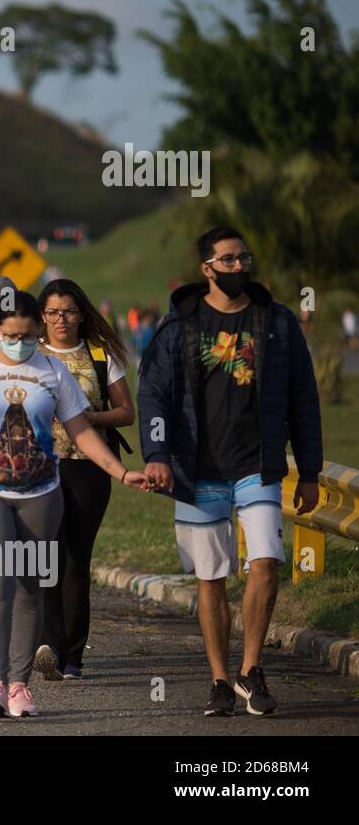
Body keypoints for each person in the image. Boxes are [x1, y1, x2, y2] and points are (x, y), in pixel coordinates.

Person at [0, 289, 150, 718]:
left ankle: (20, 686)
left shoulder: (53, 372)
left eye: (27, 334)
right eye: (11, 334)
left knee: (29, 588)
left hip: (41, 494)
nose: (19, 342)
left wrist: (120, 471)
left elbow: (81, 431)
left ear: (36, 330)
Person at [137, 227, 323, 717]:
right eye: (227, 260)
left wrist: (309, 470)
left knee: (266, 560)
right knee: (212, 575)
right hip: (196, 471)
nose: (238, 266)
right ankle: (220, 680)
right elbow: (153, 392)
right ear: (207, 269)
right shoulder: (179, 327)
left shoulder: (277, 324)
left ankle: (251, 669)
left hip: (257, 465)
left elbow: (303, 399)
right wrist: (156, 452)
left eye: (244, 258)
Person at [32, 279, 136, 680]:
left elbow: (126, 412)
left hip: (89, 470)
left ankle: (73, 655)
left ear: (82, 314)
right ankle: (49, 647)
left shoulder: (99, 353)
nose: (62, 320)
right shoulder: (31, 354)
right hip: (40, 470)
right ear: (42, 315)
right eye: (54, 312)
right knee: (45, 557)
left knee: (76, 559)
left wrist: (90, 418)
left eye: (70, 312)